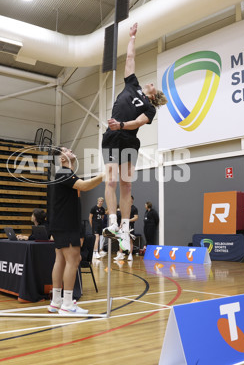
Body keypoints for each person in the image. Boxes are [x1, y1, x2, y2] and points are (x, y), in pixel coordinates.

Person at [102, 22, 167, 253]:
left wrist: (120, 124)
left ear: (154, 96)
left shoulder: (150, 110)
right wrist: (132, 37)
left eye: (153, 86)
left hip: (129, 140)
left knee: (126, 184)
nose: (151, 83)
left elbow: (137, 123)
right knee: (110, 181)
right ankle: (112, 223)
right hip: (111, 137)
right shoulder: (133, 83)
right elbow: (130, 58)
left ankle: (125, 228)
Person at [47, 147, 104, 314]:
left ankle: (56, 302)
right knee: (73, 260)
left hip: (61, 223)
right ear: (62, 159)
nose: (70, 150)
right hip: (66, 224)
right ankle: (67, 305)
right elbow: (85, 186)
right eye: (66, 150)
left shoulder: (64, 174)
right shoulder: (63, 173)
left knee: (61, 260)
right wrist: (103, 175)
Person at [115, 196, 139, 262]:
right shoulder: (124, 207)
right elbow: (122, 217)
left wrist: (129, 220)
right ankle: (120, 253)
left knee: (130, 240)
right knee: (121, 240)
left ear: (132, 200)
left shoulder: (134, 208)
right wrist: (120, 225)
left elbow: (136, 217)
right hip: (123, 226)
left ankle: (130, 254)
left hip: (130, 227)